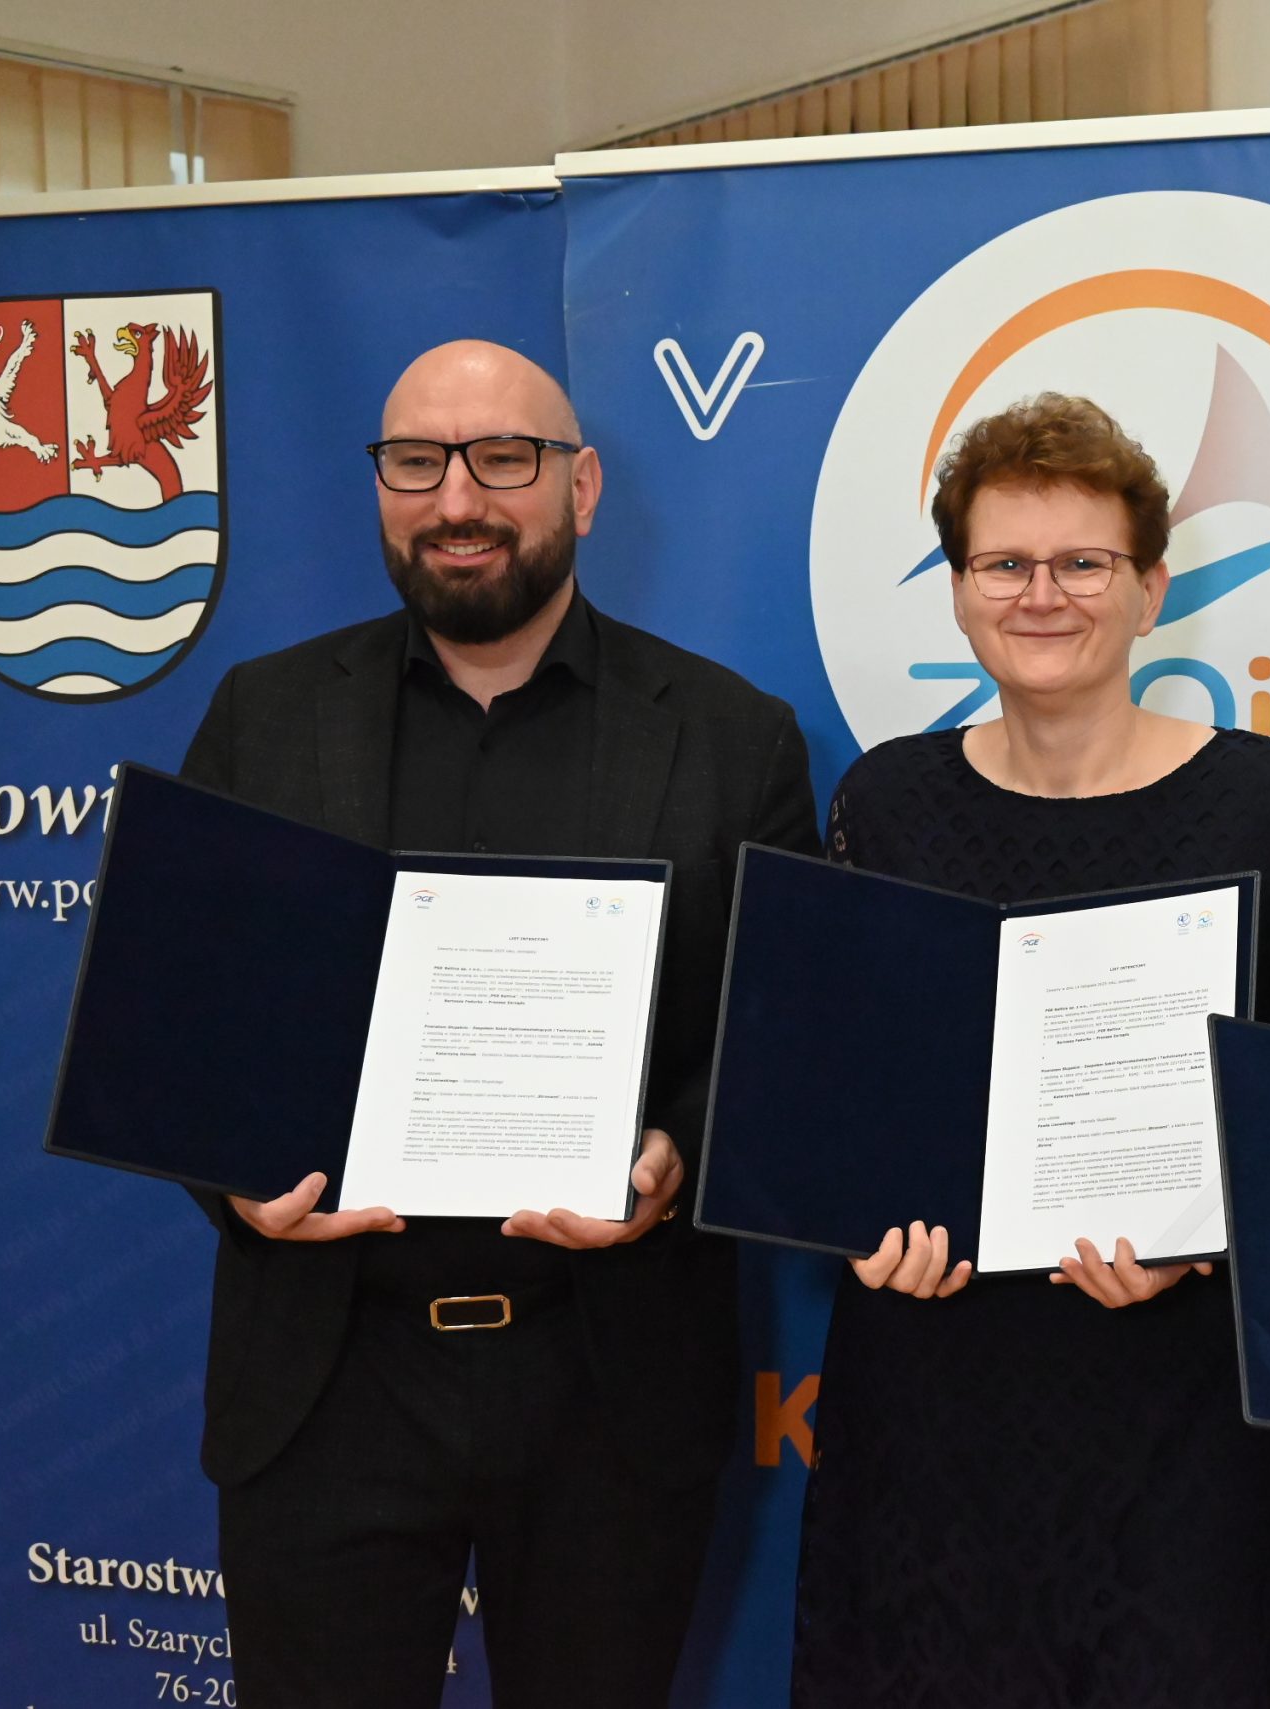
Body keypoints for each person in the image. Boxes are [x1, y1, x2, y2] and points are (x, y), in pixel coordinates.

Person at [177, 339, 817, 1708]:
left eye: (501, 459)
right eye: (417, 461)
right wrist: (231, 1172)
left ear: (580, 485)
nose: (456, 496)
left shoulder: (729, 736)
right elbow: (190, 1016)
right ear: (381, 487)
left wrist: (675, 1162)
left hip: (608, 1381)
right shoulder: (264, 718)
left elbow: (782, 1039)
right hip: (328, 1376)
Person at [786, 392, 1270, 1707]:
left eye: (1083, 562)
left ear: (1151, 586)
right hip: (932, 1411)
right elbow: (835, 1096)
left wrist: (1211, 1234)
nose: (1040, 593)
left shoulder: (1269, 804)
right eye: (1003, 562)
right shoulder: (883, 804)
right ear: (956, 590)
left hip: (1184, 1421)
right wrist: (859, 1221)